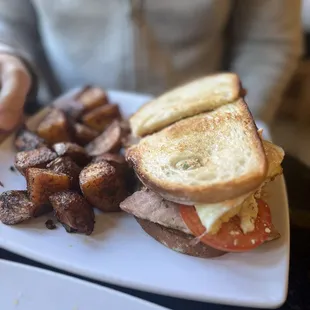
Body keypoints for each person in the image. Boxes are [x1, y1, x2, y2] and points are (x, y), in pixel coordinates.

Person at [0, 0, 302, 132]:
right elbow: (10, 23)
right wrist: (10, 57)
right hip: (59, 116)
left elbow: (268, 41)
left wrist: (237, 125)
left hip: (206, 119)